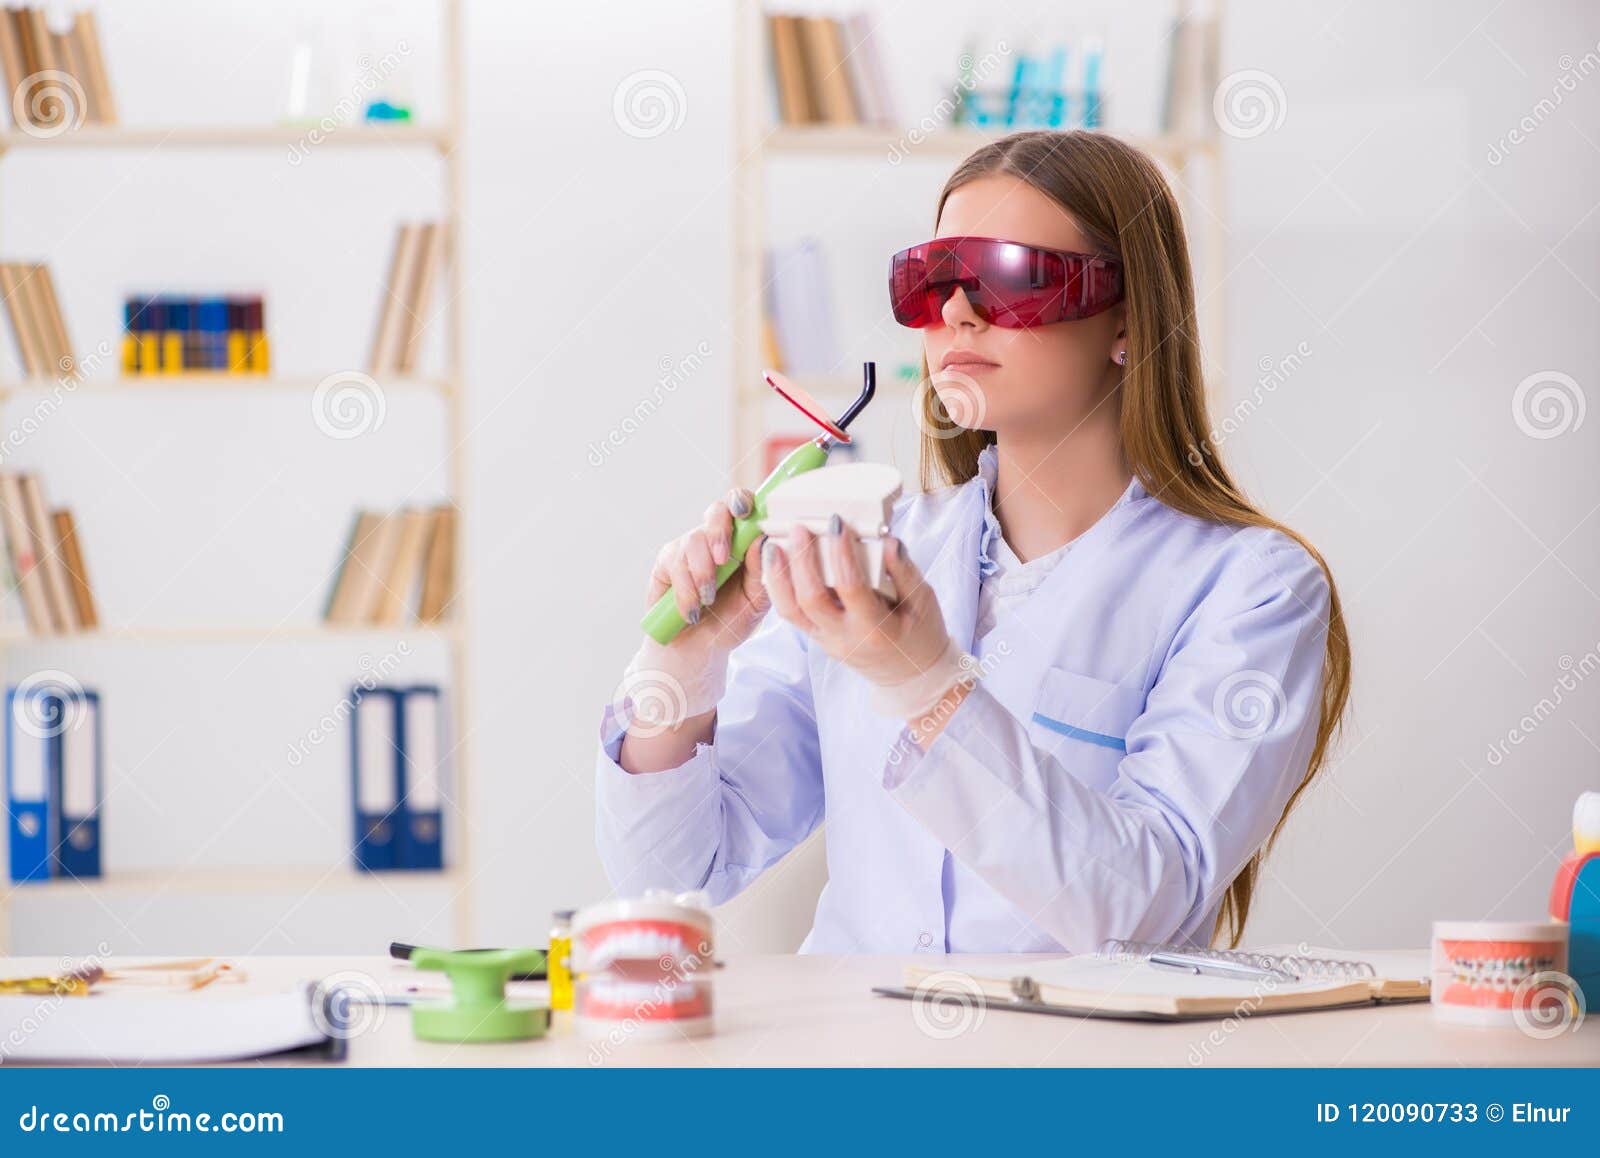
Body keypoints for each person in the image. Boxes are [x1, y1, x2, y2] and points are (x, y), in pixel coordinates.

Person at [595, 130, 1350, 955]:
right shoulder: (864, 554)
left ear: (1127, 320)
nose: (956, 312)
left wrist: (924, 681)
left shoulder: (1254, 588)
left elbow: (1141, 910)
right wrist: (687, 664)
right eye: (932, 282)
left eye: (1010, 276)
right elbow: (672, 874)